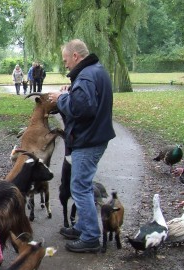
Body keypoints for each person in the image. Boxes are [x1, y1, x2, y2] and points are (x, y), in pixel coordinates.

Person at [47, 39, 116, 253]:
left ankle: (90, 237)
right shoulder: (96, 71)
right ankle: (82, 226)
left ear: (75, 56)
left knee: (80, 187)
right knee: (81, 185)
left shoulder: (86, 75)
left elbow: (82, 109)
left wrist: (61, 99)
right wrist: (72, 92)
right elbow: (87, 101)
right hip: (94, 137)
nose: (65, 64)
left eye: (66, 59)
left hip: (88, 140)